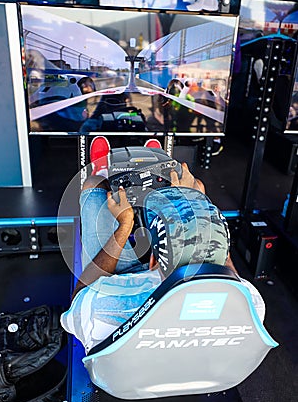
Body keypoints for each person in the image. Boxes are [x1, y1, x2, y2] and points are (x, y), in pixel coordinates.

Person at [60, 136, 265, 353]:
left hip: (125, 290)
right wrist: (198, 205)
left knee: (93, 185)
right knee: (199, 187)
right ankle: (162, 177)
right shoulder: (251, 305)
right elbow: (230, 277)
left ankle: (102, 172)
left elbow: (80, 298)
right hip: (188, 363)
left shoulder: (107, 309)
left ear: (152, 261)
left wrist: (124, 225)